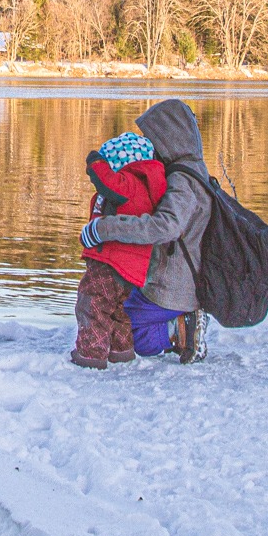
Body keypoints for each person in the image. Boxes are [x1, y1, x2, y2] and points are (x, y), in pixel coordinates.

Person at [75, 98, 213, 365]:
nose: (151, 148)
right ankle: (163, 330)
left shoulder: (182, 179)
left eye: (154, 138)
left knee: (125, 323)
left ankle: (181, 327)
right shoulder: (183, 171)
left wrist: (105, 229)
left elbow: (165, 227)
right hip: (162, 276)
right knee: (117, 307)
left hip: (174, 285)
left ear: (169, 138)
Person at [70, 131, 164, 369]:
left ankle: (91, 354)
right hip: (128, 266)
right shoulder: (142, 187)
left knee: (93, 304)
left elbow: (108, 183)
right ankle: (121, 350)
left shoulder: (130, 183)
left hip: (111, 261)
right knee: (117, 308)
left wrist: (95, 163)